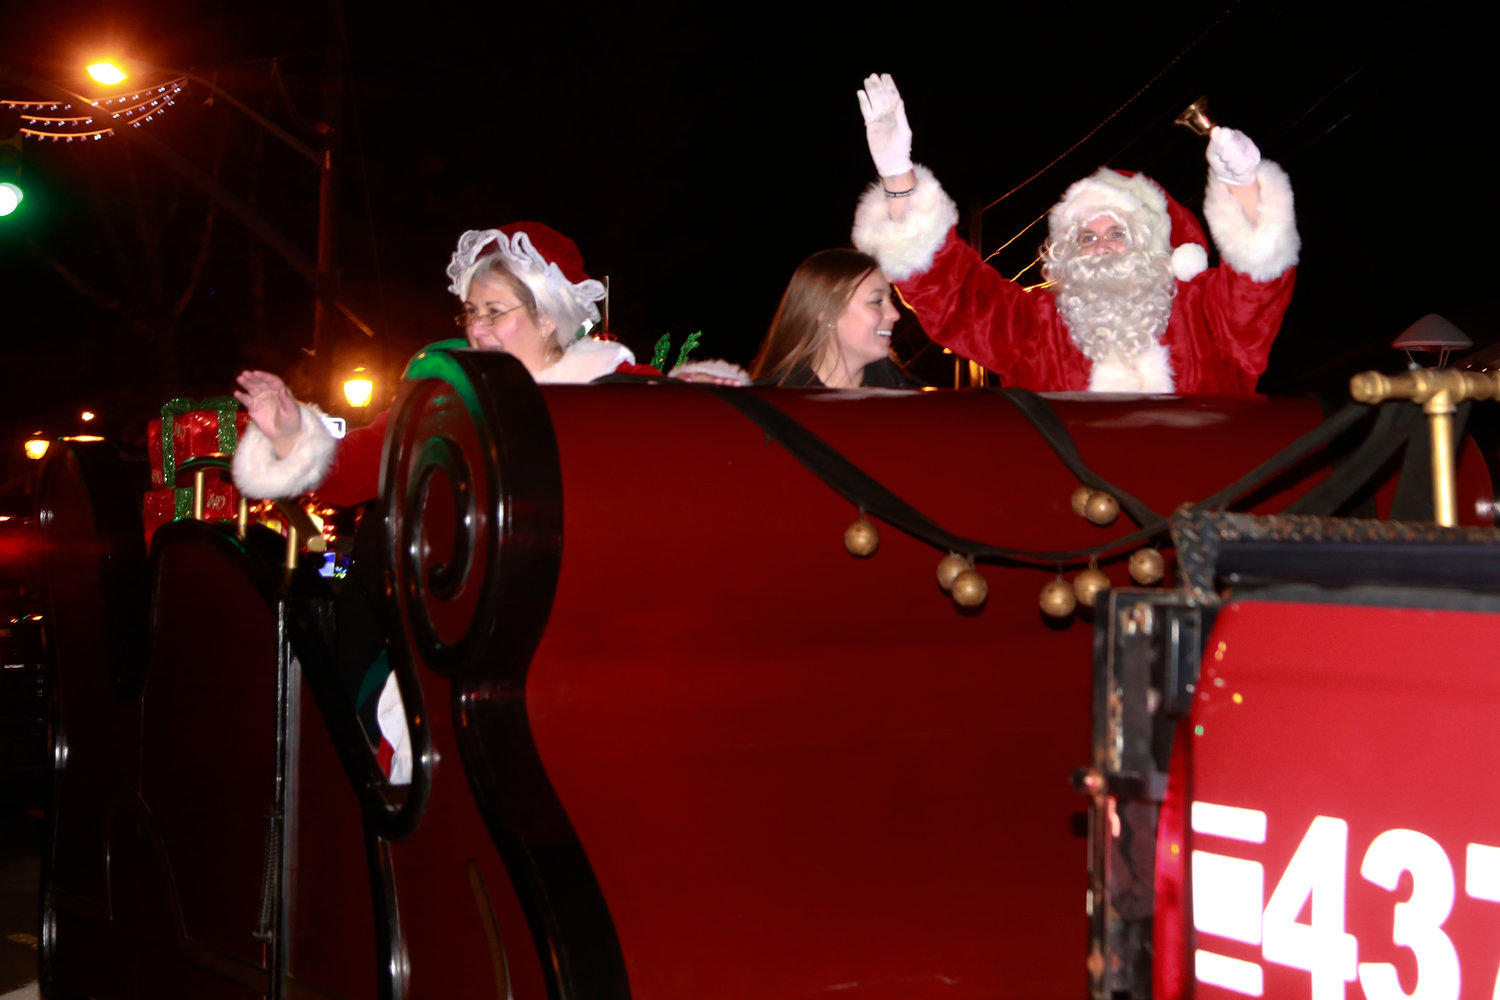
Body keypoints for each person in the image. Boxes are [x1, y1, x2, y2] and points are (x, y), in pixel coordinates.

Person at [850, 74, 1300, 394]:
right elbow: (950, 290)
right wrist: (897, 178)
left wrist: (1245, 187)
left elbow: (1258, 278)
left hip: (1202, 510)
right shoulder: (1035, 325)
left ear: (1154, 248)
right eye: (1086, 238)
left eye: (1117, 233)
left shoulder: (1208, 314)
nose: (1101, 247)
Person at [232, 222, 661, 506]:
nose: (478, 328)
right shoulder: (443, 399)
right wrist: (291, 435)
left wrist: (703, 395)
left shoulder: (617, 389)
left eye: (495, 311)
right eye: (472, 312)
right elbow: (354, 473)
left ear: (546, 317)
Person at [750, 248, 915, 388]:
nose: (895, 314)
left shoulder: (917, 405)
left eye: (890, 299)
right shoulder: (766, 407)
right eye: (877, 301)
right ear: (826, 311)